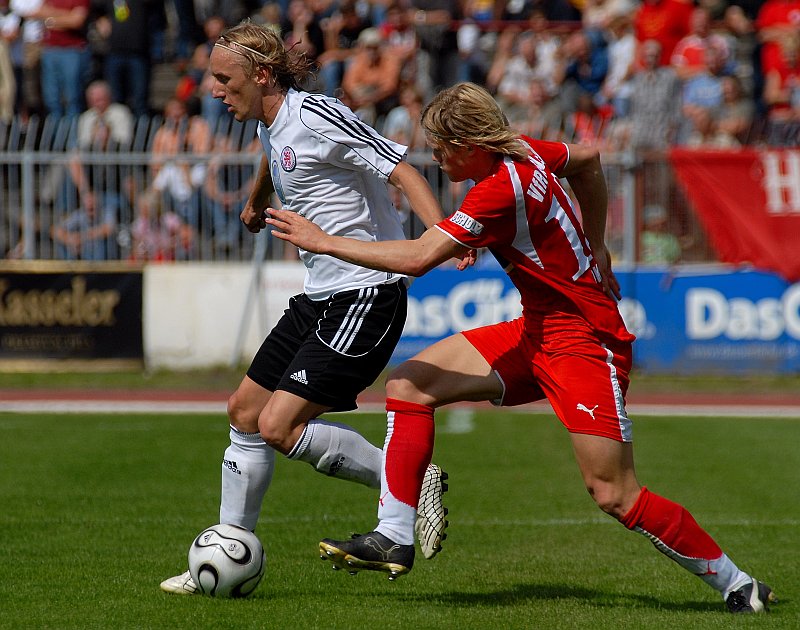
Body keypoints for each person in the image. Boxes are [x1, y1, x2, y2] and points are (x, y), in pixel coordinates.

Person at [266, 82, 776, 614]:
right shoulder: (524, 150)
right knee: (410, 382)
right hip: (537, 330)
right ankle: (394, 534)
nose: (435, 159)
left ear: (468, 145)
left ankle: (738, 584)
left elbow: (419, 258)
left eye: (440, 149)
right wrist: (597, 244)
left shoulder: (496, 190)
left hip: (584, 342)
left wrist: (322, 241)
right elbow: (588, 159)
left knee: (614, 492)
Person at [159, 19, 459, 595]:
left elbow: (400, 168)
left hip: (365, 294)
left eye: (225, 79)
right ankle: (226, 549)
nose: (215, 90)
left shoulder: (318, 114)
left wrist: (442, 235)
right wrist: (256, 203)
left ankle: (404, 477)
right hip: (321, 296)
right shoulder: (270, 123)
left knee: (278, 425)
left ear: (261, 75)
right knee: (244, 412)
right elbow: (274, 156)